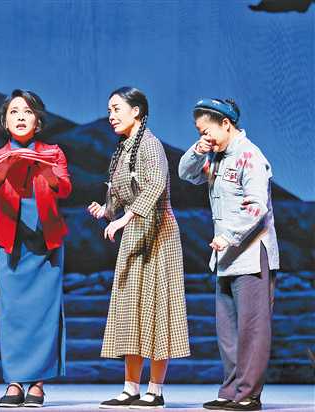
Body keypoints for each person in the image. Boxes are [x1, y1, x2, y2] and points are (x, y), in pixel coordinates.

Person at [88, 87, 189, 409]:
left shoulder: (150, 144)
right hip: (134, 235)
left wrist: (124, 218)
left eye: (117, 108)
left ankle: (155, 390)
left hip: (158, 234)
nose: (111, 115)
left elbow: (155, 185)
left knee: (157, 311)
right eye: (109, 110)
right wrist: (106, 211)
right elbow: (119, 194)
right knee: (131, 311)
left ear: (137, 111)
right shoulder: (124, 148)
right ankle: (130, 387)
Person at [179, 98, 279, 412]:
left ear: (225, 123)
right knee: (227, 330)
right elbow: (185, 173)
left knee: (251, 327)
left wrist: (229, 235)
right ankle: (231, 389)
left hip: (250, 254)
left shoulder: (250, 155)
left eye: (206, 130)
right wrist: (198, 149)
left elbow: (257, 207)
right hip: (225, 256)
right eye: (199, 132)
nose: (204, 136)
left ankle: (248, 394)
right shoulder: (216, 157)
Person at [0, 89, 71, 408]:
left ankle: (38, 383)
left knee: (45, 312)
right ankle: (14, 381)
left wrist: (43, 167)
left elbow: (64, 188)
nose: (21, 117)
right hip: (12, 243)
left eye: (28, 111)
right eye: (14, 112)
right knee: (13, 313)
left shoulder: (53, 153)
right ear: (5, 121)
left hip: (46, 243)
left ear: (38, 120)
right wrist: (7, 166)